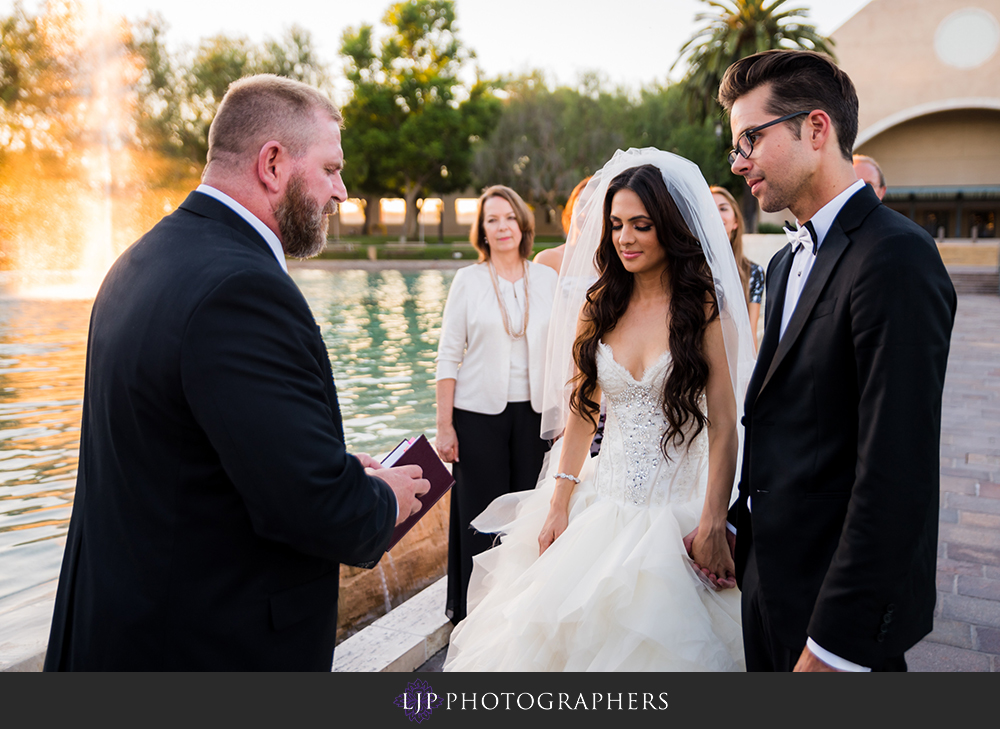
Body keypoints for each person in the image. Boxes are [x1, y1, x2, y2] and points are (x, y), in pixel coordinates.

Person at [43, 75, 430, 671]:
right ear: (272, 163)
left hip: (128, 630)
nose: (342, 193)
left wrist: (330, 466)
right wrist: (381, 498)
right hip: (207, 650)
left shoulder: (139, 258)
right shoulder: (242, 289)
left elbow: (198, 453)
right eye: (330, 169)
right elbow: (312, 509)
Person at [443, 149, 757, 671]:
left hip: (675, 517)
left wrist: (711, 522)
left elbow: (725, 426)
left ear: (671, 227)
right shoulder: (601, 303)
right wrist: (559, 502)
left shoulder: (705, 308)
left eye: (641, 224)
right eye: (615, 225)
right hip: (598, 504)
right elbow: (582, 410)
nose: (625, 238)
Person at [719, 49, 956, 671]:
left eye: (751, 138)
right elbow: (779, 414)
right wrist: (738, 530)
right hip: (769, 585)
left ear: (816, 129)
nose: (739, 162)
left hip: (833, 614)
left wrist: (836, 645)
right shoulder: (783, 260)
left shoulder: (897, 256)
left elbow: (896, 470)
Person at [434, 185, 558, 624]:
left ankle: (519, 613)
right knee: (478, 517)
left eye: (508, 217)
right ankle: (474, 616)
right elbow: (449, 354)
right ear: (482, 231)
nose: (501, 226)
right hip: (476, 417)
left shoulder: (547, 279)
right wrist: (444, 426)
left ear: (522, 224)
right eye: (492, 220)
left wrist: (562, 414)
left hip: (537, 416)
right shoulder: (467, 281)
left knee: (527, 515)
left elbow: (563, 352)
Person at [712, 185, 764, 346]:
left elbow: (750, 332)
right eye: (709, 208)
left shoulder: (753, 272)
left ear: (735, 221)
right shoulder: (687, 268)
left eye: (723, 208)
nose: (716, 214)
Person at [533, 176, 592, 274]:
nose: (584, 213)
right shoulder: (546, 260)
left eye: (593, 206)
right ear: (572, 206)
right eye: (582, 203)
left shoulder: (611, 262)